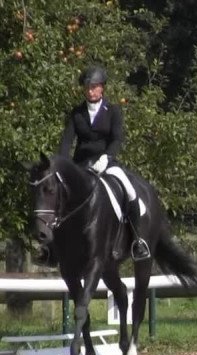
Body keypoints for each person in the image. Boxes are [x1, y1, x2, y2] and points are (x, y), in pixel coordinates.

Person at [57, 65, 150, 261]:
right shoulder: (77, 113)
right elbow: (66, 141)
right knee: (58, 193)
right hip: (82, 165)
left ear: (102, 88)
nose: (90, 91)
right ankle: (52, 246)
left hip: (107, 162)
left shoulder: (113, 110)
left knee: (130, 191)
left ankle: (137, 240)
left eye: (94, 87)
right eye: (88, 87)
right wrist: (63, 166)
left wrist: (106, 157)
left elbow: (117, 139)